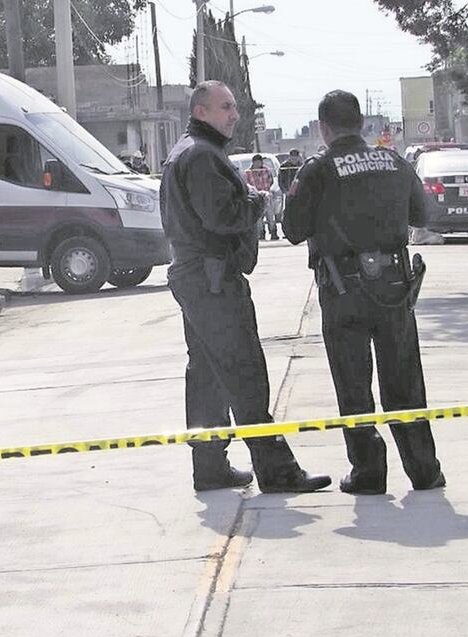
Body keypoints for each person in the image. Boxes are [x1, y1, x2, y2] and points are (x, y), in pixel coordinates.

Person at [159, 80, 331, 494]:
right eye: (225, 107)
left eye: (234, 107)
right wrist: (255, 201)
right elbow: (222, 216)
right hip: (212, 279)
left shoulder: (192, 151)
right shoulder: (200, 155)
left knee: (207, 375)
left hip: (198, 276)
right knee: (244, 372)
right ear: (200, 112)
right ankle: (278, 470)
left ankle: (210, 466)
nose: (234, 114)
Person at [283, 90, 444, 495]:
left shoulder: (316, 170)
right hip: (393, 285)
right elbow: (423, 215)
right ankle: (424, 470)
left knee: (353, 385)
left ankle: (369, 473)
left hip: (342, 288)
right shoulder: (394, 162)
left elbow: (291, 230)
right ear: (362, 124)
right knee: (405, 380)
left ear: (324, 129)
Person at [244, 154, 277, 240]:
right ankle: (261, 233)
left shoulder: (266, 170)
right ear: (253, 162)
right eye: (257, 162)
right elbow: (247, 184)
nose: (259, 163)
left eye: (260, 161)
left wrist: (267, 190)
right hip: (255, 197)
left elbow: (271, 181)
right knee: (258, 217)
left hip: (267, 196)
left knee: (270, 215)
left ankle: (273, 232)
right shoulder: (248, 172)